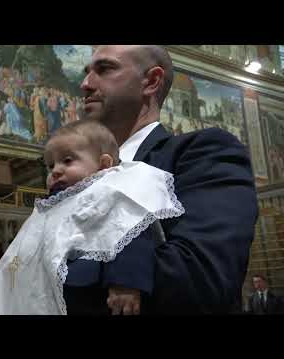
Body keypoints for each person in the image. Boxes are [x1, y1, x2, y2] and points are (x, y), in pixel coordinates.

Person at [80, 45, 258, 314]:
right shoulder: (77, 175)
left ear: (151, 82)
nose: (85, 84)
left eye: (104, 69)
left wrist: (58, 276)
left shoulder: (205, 152)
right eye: (86, 72)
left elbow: (198, 278)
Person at [0, 120, 184, 315]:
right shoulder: (48, 208)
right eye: (50, 166)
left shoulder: (110, 190)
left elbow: (128, 231)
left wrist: (125, 283)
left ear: (104, 164)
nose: (56, 171)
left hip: (90, 293)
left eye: (67, 160)